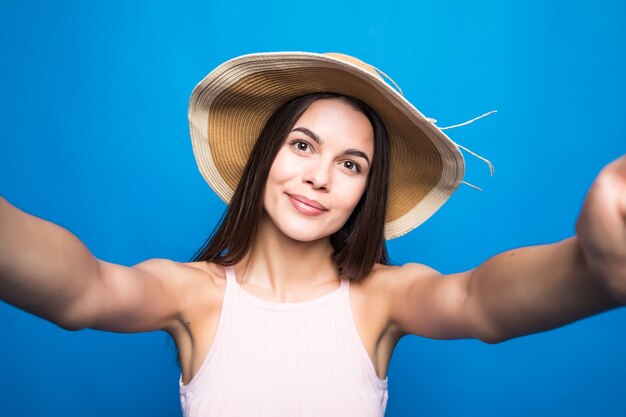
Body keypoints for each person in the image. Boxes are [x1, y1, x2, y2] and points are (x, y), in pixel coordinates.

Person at [1, 52, 625, 417]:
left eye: (351, 165)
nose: (320, 178)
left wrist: (595, 264)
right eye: (303, 145)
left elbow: (478, 301)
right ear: (265, 156)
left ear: (365, 193)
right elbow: (81, 288)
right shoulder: (190, 294)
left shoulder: (382, 298)